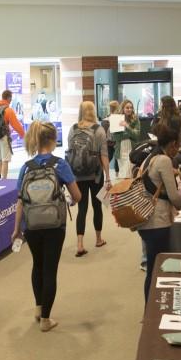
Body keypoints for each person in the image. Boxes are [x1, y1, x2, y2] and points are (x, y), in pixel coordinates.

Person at [11, 121, 81, 332]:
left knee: (37, 266)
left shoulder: (26, 167)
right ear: (52, 140)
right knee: (50, 269)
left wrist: (16, 230)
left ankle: (38, 308)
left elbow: (21, 200)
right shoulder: (60, 165)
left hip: (31, 225)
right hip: (54, 225)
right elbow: (76, 195)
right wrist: (68, 201)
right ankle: (46, 320)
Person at [137, 123, 181, 300]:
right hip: (158, 221)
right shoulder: (164, 161)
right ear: (172, 144)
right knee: (157, 268)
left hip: (145, 218)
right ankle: (151, 309)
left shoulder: (151, 157)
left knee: (152, 266)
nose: (178, 150)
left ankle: (148, 308)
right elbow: (173, 195)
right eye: (178, 145)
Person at [67, 101, 110, 257]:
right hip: (95, 175)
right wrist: (108, 177)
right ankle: (98, 239)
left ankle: (79, 243)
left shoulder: (72, 129)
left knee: (82, 208)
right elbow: (104, 155)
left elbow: (70, 153)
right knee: (97, 206)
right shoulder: (98, 130)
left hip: (77, 175)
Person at [0, 89, 25, 179]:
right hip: (3, 138)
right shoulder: (8, 110)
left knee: (0, 159)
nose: (11, 100)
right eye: (11, 98)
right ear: (8, 98)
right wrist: (24, 135)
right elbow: (16, 125)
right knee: (5, 160)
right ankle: (4, 181)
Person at [112, 99, 141, 179]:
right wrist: (129, 134)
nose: (129, 109)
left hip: (132, 150)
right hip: (121, 151)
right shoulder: (117, 119)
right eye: (127, 107)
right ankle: (124, 191)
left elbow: (137, 135)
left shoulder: (135, 119)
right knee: (123, 175)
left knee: (130, 175)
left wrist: (127, 126)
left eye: (131, 108)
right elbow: (115, 137)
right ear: (123, 108)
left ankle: (130, 191)